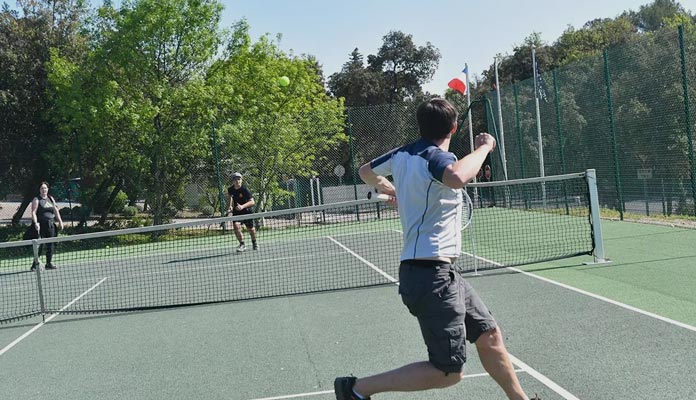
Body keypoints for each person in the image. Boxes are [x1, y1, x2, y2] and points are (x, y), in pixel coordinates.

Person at [335, 98, 538, 400]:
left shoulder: (403, 154)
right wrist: (484, 147)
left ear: (421, 125)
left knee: (488, 334)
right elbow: (456, 177)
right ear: (454, 128)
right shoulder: (438, 158)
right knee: (448, 372)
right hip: (431, 277)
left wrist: (391, 189)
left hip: (441, 272)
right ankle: (356, 389)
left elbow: (366, 171)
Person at [30, 181, 64, 270]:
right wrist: (35, 223)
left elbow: (56, 211)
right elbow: (33, 212)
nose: (44, 190)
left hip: (51, 225)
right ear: (39, 190)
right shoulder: (36, 199)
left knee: (51, 244)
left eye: (45, 188)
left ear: (47, 189)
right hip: (41, 225)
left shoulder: (51, 198)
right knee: (40, 245)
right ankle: (35, 265)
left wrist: (60, 221)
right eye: (42, 188)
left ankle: (48, 263)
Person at [226, 172, 258, 252]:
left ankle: (254, 242)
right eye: (235, 179)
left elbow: (252, 202)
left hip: (247, 211)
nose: (237, 181)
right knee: (236, 226)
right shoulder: (230, 189)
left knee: (251, 229)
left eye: (239, 179)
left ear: (241, 180)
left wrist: (242, 206)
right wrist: (230, 206)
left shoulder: (245, 190)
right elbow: (230, 197)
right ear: (233, 181)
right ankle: (242, 244)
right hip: (237, 212)